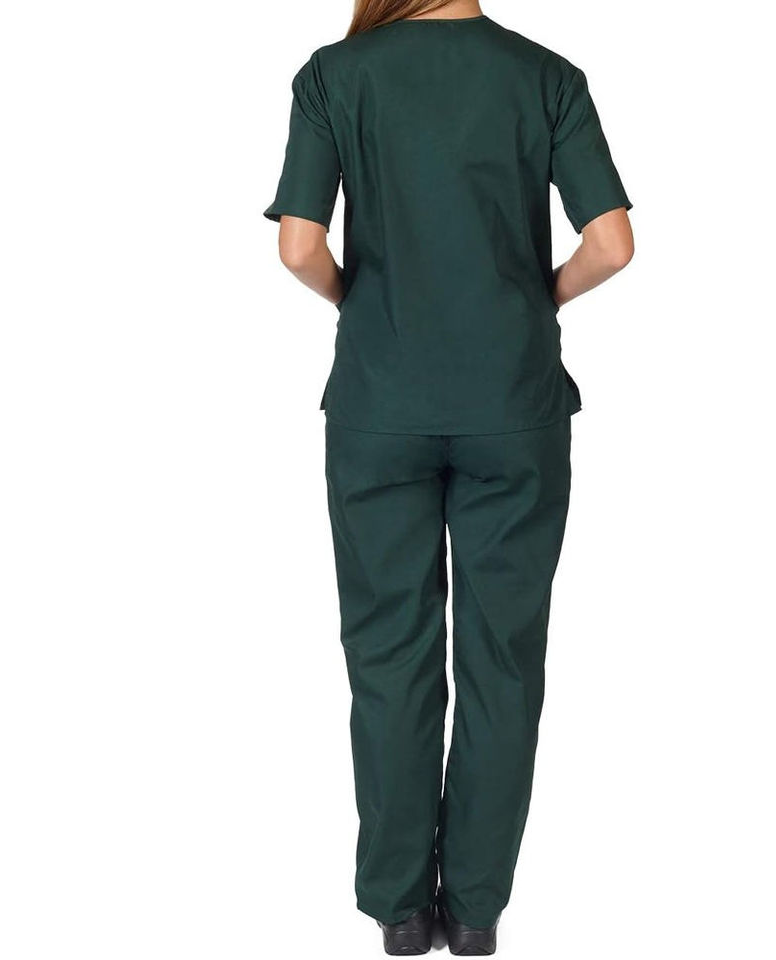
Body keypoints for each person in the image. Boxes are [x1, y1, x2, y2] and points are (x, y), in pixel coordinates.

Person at [263, 0, 633, 953]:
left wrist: (358, 304)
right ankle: (473, 911)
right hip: (514, 402)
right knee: (503, 661)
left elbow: (299, 246)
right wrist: (538, 301)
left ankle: (399, 907)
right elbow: (612, 243)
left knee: (388, 656)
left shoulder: (335, 76)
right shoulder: (547, 77)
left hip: (378, 404)